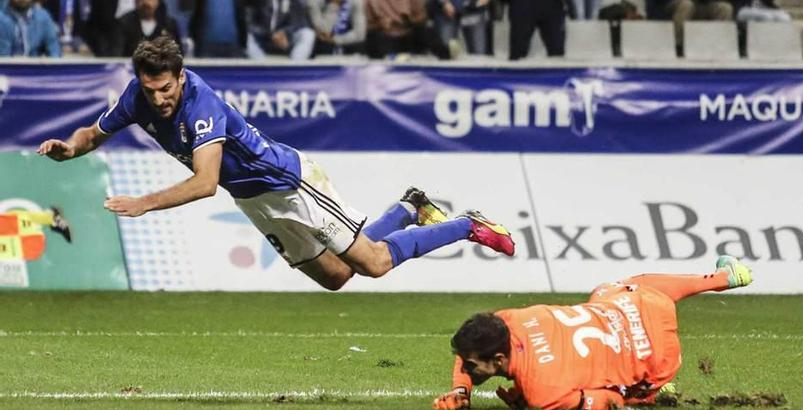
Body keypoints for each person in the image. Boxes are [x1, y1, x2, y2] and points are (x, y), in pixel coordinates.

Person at [37, 36, 515, 291]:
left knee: (373, 264)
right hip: (253, 200)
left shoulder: (201, 106)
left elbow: (205, 183)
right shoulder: (138, 97)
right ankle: (408, 207)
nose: (159, 100)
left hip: (287, 183)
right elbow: (93, 133)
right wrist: (70, 149)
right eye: (150, 90)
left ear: (180, 78)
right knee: (335, 278)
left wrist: (144, 203)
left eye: (166, 90)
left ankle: (466, 225)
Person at [433, 256, 753, 410]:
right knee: (607, 290)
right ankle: (725, 276)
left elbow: (609, 401)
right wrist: (461, 391)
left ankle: (654, 391)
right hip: (641, 307)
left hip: (658, 362)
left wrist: (525, 398)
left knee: (611, 387)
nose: (466, 370)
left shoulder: (541, 393)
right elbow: (470, 353)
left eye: (472, 367)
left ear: (499, 358)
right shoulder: (508, 320)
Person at [247, 0, 316, 61]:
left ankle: (294, 68)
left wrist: (285, 33)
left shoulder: (293, 1)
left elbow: (298, 22)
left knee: (308, 34)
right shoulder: (257, 2)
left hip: (284, 38)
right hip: (263, 38)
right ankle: (262, 67)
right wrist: (270, 34)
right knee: (248, 37)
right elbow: (250, 24)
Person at [116, 0, 182, 57]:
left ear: (158, 2)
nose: (146, 2)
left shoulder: (169, 25)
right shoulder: (124, 23)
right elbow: (117, 55)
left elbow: (178, 54)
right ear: (135, 2)